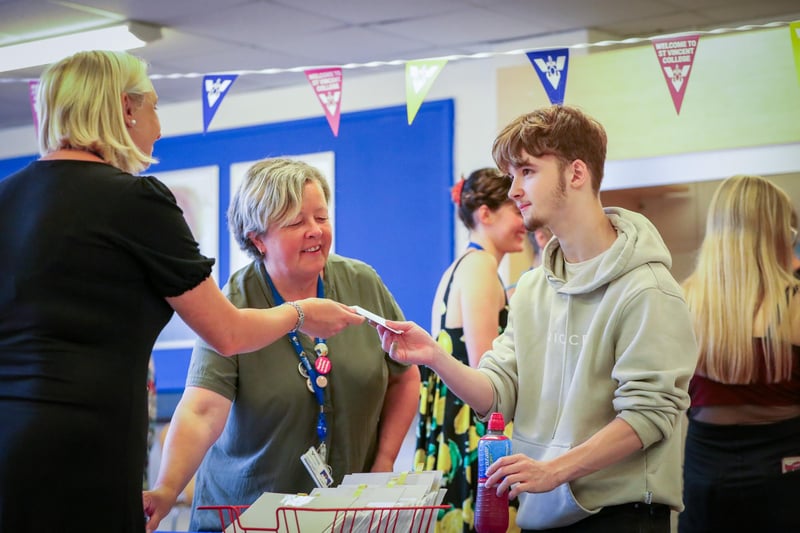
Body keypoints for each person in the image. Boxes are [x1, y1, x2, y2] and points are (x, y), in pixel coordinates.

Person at [0, 51, 362, 533]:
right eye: (153, 106)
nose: (159, 126)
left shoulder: (6, 198)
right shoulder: (134, 200)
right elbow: (227, 332)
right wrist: (299, 313)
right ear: (125, 109)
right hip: (84, 446)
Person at [374, 104, 699, 532]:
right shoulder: (531, 288)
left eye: (526, 171)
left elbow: (648, 417)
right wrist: (434, 356)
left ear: (576, 174)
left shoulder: (647, 290)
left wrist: (555, 470)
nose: (512, 190)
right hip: (540, 512)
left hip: (619, 518)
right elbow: (496, 392)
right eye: (511, 175)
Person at [143, 158, 421, 533]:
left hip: (344, 516)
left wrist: (384, 463)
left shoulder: (362, 282)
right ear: (258, 238)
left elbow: (403, 377)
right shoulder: (234, 304)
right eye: (295, 222)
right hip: (247, 518)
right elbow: (202, 410)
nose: (315, 232)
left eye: (321, 218)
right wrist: (166, 488)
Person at [679, 175, 800, 533]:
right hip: (786, 473)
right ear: (780, 231)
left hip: (706, 474)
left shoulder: (682, 302)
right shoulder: (795, 303)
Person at [417, 167, 526, 532]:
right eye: (514, 208)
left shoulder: (461, 266)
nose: (524, 218)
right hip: (472, 427)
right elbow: (486, 368)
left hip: (453, 421)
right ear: (485, 214)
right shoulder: (480, 267)